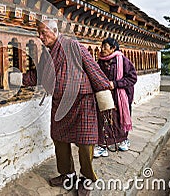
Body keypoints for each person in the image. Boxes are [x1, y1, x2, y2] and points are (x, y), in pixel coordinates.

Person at [19, 19, 111, 188]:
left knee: (85, 142)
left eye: (43, 33)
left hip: (82, 102)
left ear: (54, 31)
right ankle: (67, 175)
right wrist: (18, 78)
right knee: (59, 139)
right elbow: (39, 76)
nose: (40, 37)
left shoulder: (73, 46)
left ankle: (86, 179)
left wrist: (105, 95)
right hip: (60, 104)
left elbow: (93, 68)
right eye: (38, 33)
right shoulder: (47, 54)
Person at [94, 37, 137, 158]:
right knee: (104, 118)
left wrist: (116, 84)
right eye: (101, 46)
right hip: (106, 96)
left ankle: (123, 140)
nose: (102, 49)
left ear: (113, 48)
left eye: (105, 47)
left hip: (121, 96)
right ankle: (103, 146)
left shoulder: (122, 61)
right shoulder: (101, 61)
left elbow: (132, 78)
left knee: (120, 119)